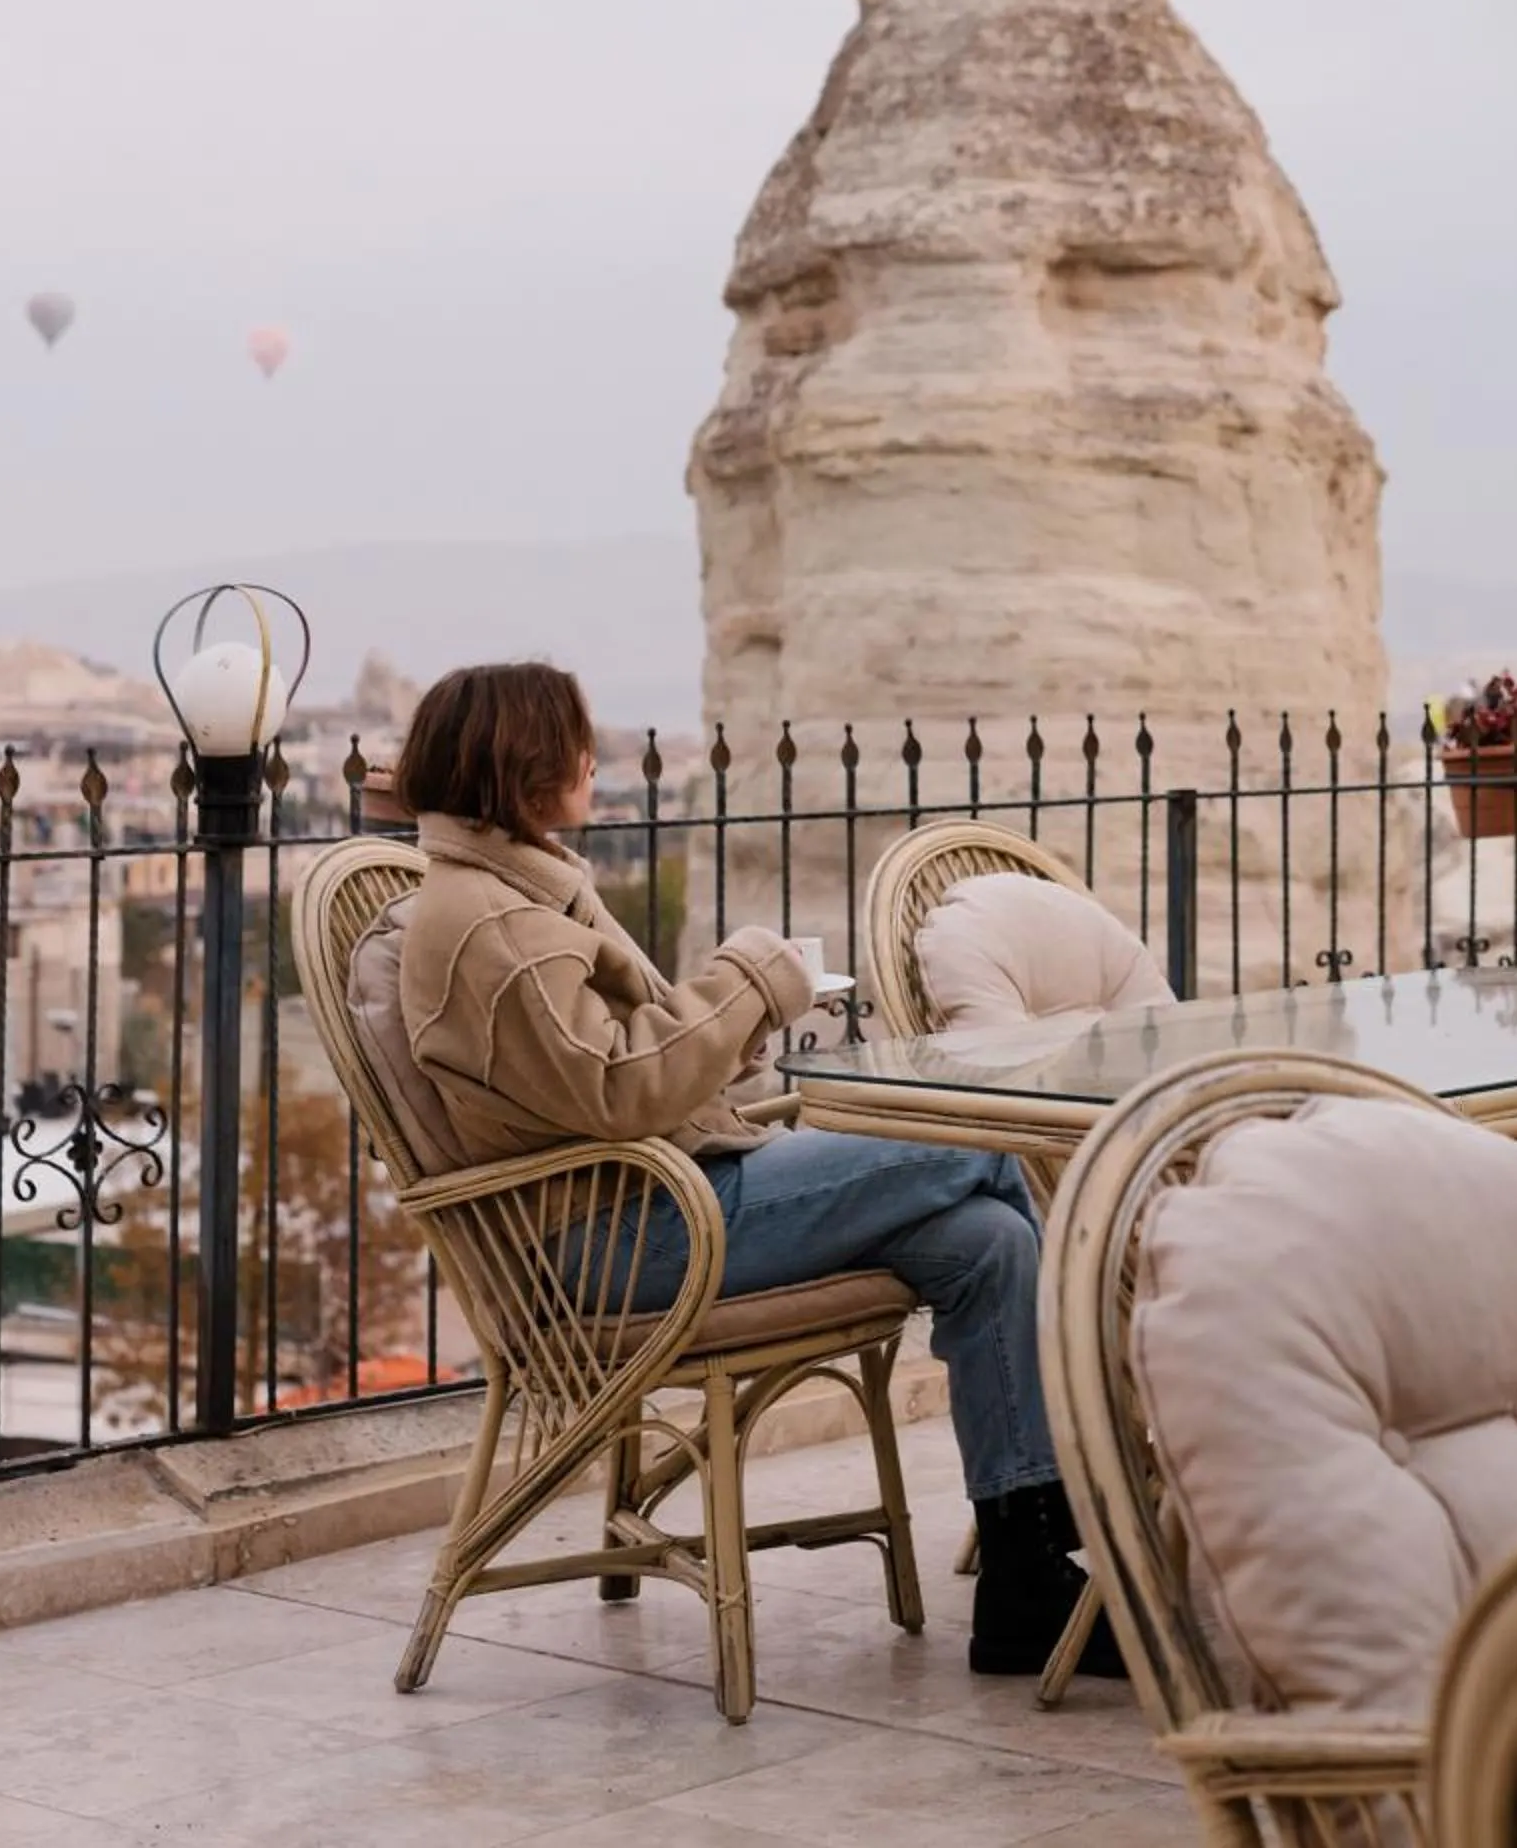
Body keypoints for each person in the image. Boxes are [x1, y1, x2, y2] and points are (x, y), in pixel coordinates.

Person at [392, 660, 1123, 1682]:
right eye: (575, 744)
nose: (593, 760)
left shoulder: (513, 897)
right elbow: (614, 1089)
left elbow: (608, 1066)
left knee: (989, 1241)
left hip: (661, 1197)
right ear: (522, 766)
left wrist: (722, 1018)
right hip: (626, 1239)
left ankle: (1022, 1578)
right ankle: (1079, 1506)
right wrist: (753, 983)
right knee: (980, 1144)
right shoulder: (492, 927)